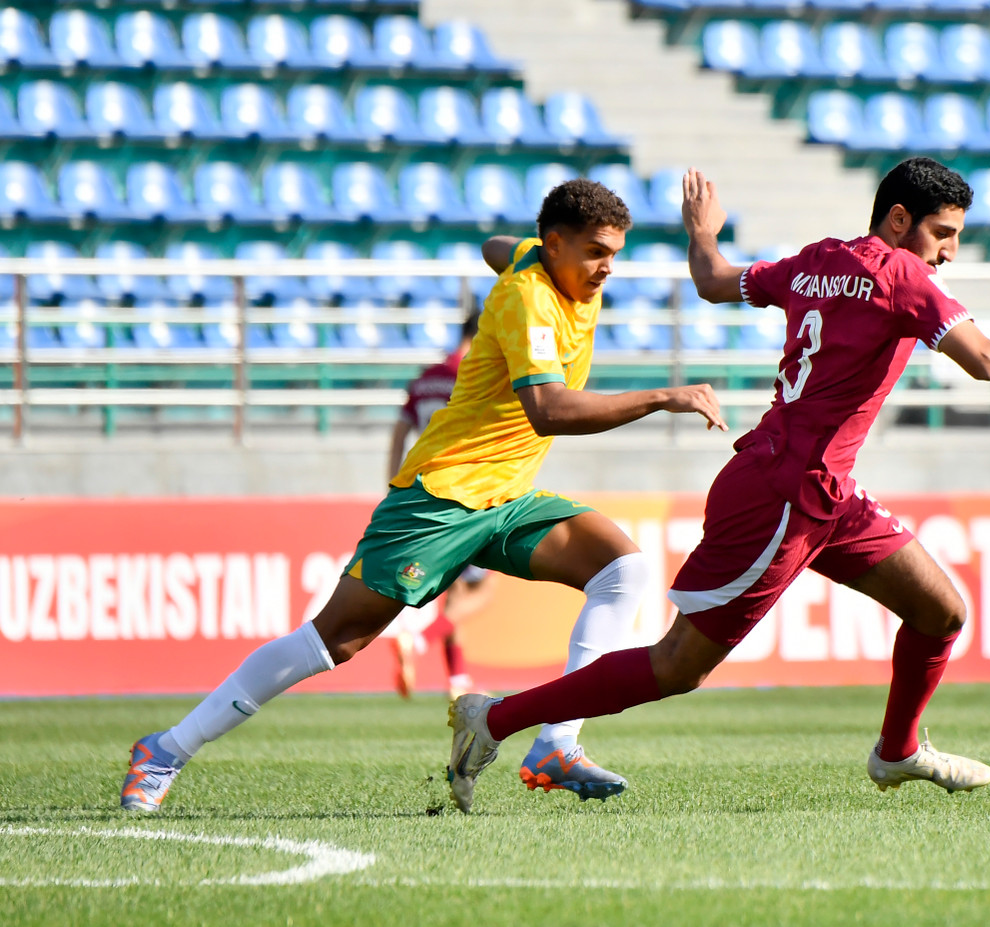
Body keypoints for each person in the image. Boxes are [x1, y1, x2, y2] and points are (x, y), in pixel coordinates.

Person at [444, 158, 990, 813]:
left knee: (941, 612)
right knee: (679, 665)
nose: (949, 252)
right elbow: (985, 361)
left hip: (822, 490)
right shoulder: (901, 273)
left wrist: (703, 233)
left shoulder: (818, 259)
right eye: (942, 233)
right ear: (899, 220)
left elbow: (713, 280)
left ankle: (897, 752)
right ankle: (494, 718)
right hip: (783, 495)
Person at [120, 179, 730, 811]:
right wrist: (664, 396)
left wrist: (522, 254)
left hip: (504, 498)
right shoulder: (530, 299)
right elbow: (548, 410)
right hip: (442, 495)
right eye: (596, 252)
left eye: (615, 254)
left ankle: (557, 743)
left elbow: (496, 247)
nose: (608, 268)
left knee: (623, 570)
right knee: (336, 639)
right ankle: (165, 749)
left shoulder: (538, 261)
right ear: (555, 245)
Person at [386, 315, 495, 701]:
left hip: (419, 490)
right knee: (485, 588)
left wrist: (393, 485)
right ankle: (417, 641)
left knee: (457, 591)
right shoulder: (470, 374)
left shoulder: (425, 378)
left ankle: (457, 681)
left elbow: (400, 432)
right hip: (462, 493)